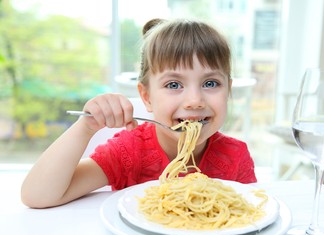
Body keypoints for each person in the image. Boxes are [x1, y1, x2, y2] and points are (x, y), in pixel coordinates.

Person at [21, 18, 257, 208]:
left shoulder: (235, 156)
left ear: (228, 90)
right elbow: (38, 196)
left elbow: (251, 213)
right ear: (147, 97)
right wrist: (85, 128)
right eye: (174, 85)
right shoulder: (130, 151)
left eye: (211, 83)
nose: (194, 101)